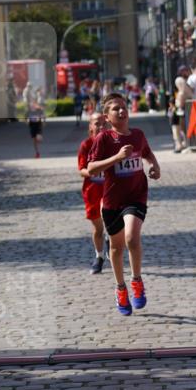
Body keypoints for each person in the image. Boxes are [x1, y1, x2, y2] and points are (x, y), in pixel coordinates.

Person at [87, 93, 160, 316]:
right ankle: (120, 288)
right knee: (116, 248)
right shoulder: (104, 138)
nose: (121, 111)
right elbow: (91, 169)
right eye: (115, 109)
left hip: (136, 196)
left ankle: (136, 281)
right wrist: (117, 158)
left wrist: (155, 166)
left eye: (123, 106)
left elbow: (147, 153)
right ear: (108, 117)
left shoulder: (138, 135)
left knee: (131, 237)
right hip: (112, 201)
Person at [77, 112, 108, 273]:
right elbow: (81, 170)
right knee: (98, 229)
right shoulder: (86, 145)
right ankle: (99, 255)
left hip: (109, 189)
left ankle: (111, 238)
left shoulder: (112, 143)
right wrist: (93, 171)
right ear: (90, 127)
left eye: (104, 123)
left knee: (107, 215)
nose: (101, 127)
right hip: (92, 191)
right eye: (97, 123)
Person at [171, 65, 193, 152]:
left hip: (182, 106)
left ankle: (183, 144)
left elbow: (183, 92)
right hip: (180, 106)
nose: (187, 72)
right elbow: (181, 93)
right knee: (177, 126)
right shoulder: (180, 80)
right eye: (185, 71)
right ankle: (180, 144)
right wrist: (177, 106)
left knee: (182, 126)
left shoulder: (187, 80)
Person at [27, 90, 46, 158]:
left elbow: (43, 114)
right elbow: (27, 115)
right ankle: (37, 152)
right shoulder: (29, 107)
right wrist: (28, 120)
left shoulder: (39, 108)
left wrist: (43, 121)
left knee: (38, 138)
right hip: (32, 124)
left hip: (38, 124)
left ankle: (40, 139)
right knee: (34, 139)